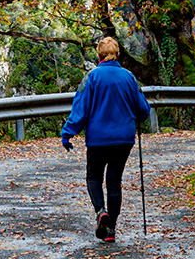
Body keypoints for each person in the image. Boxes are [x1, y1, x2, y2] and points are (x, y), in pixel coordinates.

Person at [61, 36, 151, 243]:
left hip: (98, 139)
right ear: (117, 54)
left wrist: (68, 133)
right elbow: (143, 110)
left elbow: (80, 110)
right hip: (123, 139)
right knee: (114, 181)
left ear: (99, 55)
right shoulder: (129, 77)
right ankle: (111, 229)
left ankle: (101, 212)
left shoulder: (91, 78)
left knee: (94, 177)